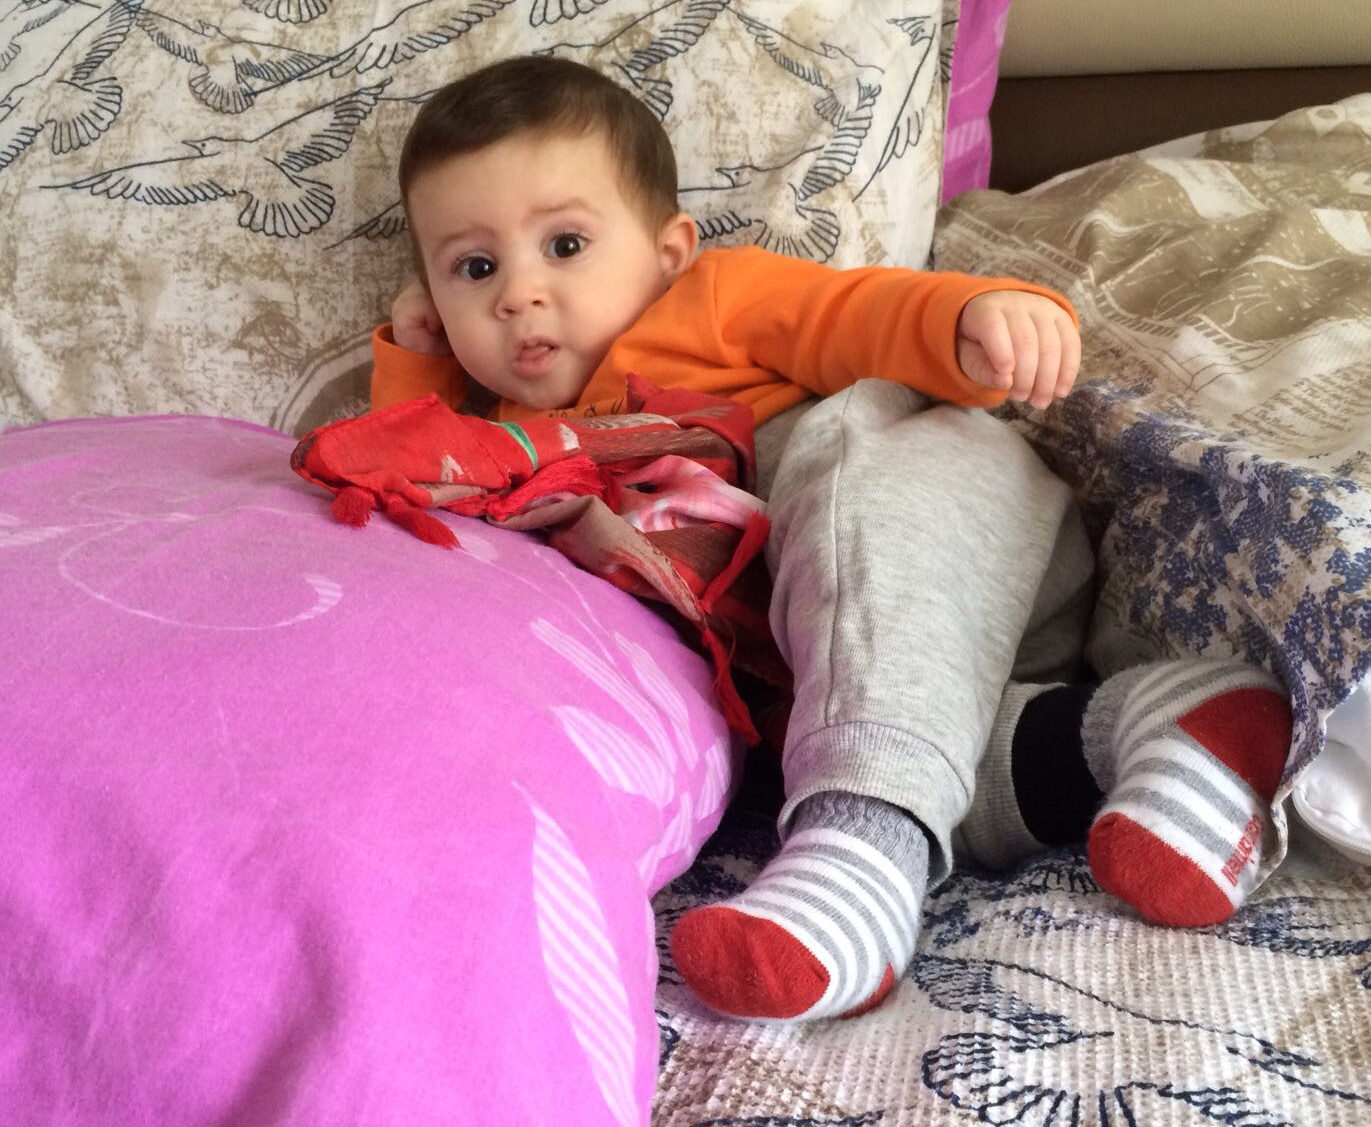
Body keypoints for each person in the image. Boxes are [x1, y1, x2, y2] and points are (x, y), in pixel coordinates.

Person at [374, 55, 1296, 1024]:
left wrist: (970, 317)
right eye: (473, 269)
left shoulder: (709, 301)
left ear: (669, 252)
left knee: (845, 441)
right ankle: (1169, 724)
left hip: (951, 541)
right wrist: (419, 364)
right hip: (898, 688)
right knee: (943, 771)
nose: (518, 294)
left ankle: (861, 843)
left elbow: (850, 314)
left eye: (564, 245)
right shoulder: (507, 441)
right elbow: (399, 485)